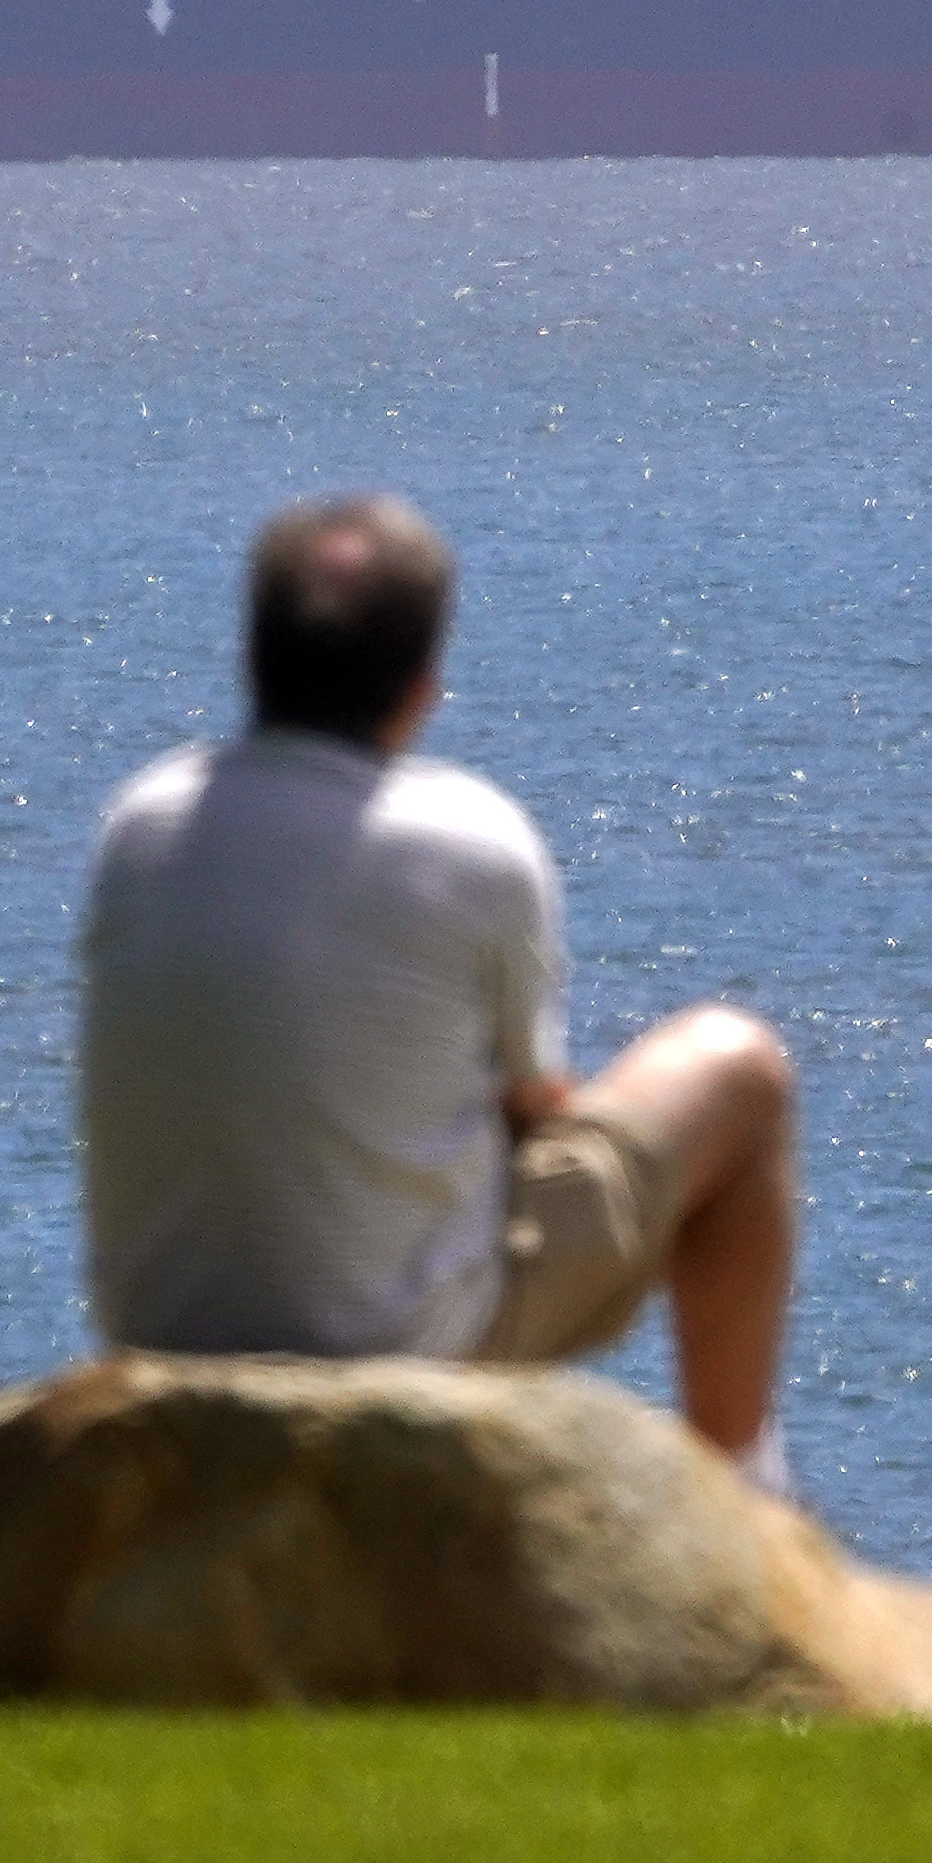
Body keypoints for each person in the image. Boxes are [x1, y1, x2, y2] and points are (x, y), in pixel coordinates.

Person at [76, 491, 799, 1479]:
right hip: (399, 1368)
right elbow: (534, 1115)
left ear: (251, 660)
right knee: (740, 1069)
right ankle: (746, 1503)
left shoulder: (137, 824)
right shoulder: (470, 839)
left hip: (163, 1357)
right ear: (421, 686)